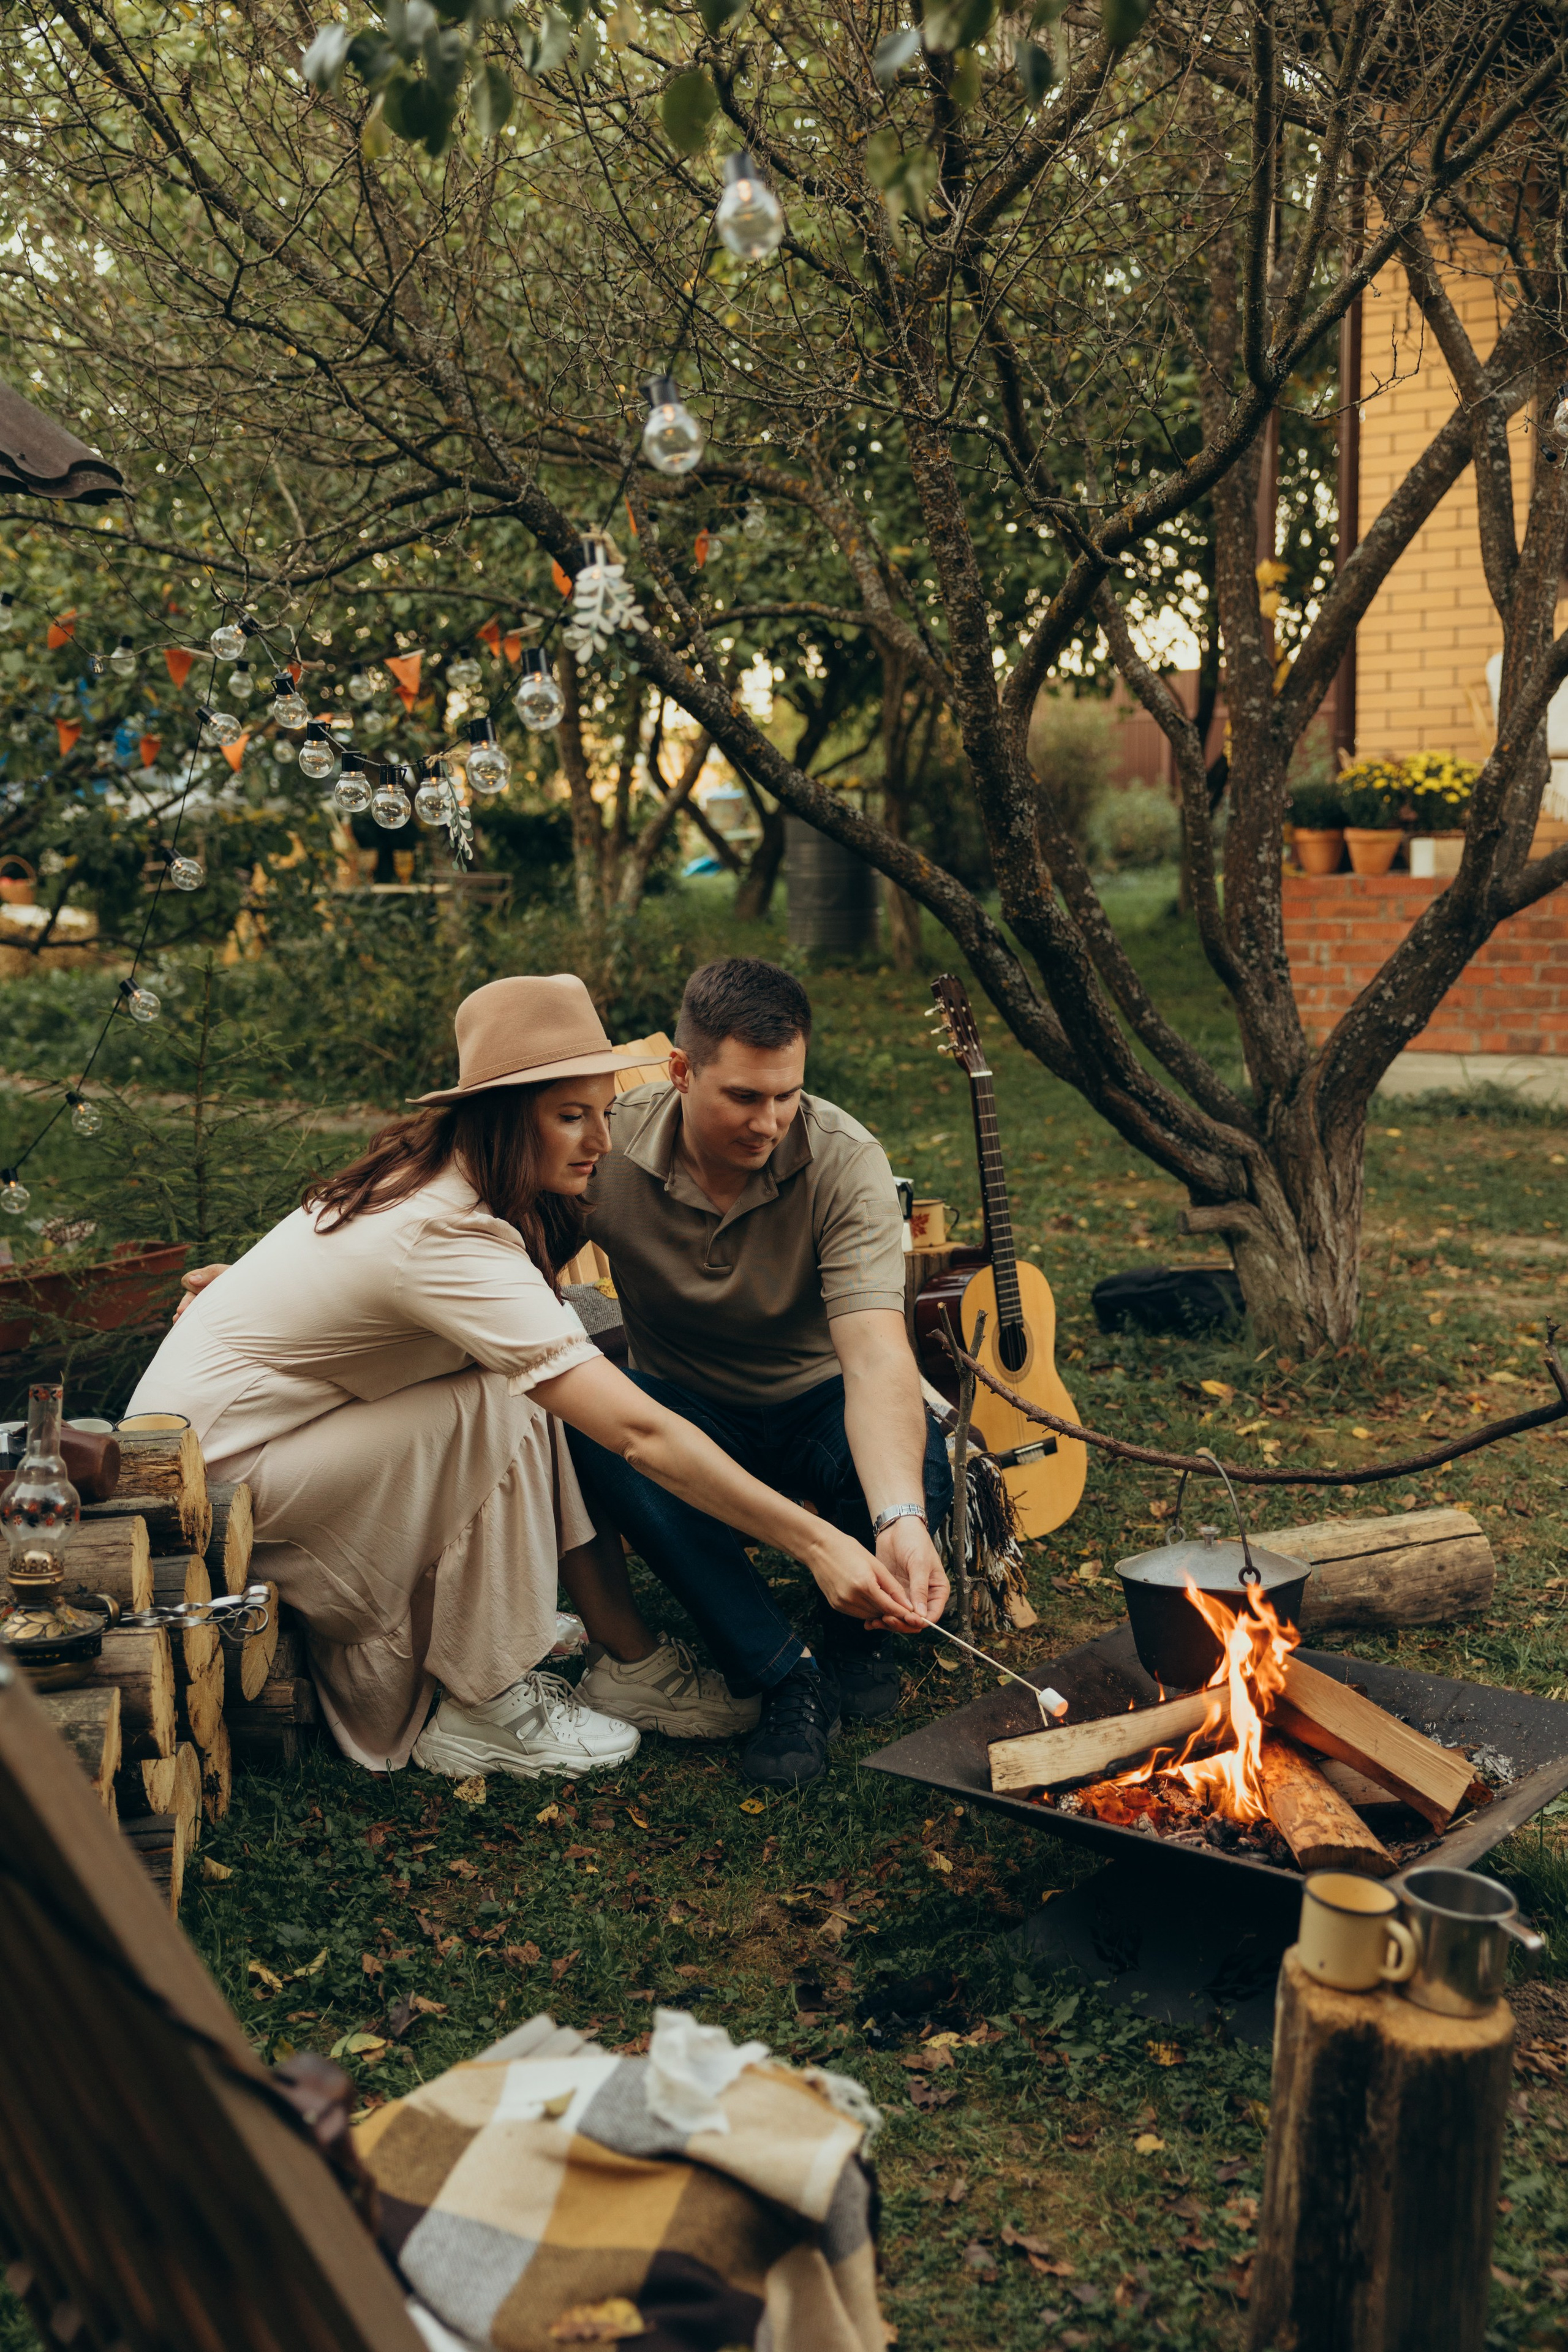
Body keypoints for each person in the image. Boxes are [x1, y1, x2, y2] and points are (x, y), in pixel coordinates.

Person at [130, 974, 925, 1780]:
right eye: (570, 1117)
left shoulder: (449, 1180)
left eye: (604, 1112)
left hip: (276, 1438)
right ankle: (488, 1706)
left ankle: (624, 1660)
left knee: (536, 1383)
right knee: (519, 1397)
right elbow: (637, 1432)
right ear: (505, 1116)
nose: (601, 1143)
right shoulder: (443, 1235)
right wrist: (817, 1541)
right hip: (205, 1494)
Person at [567, 956, 952, 1790]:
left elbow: (879, 1354)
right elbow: (474, 1239)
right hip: (686, 1408)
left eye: (787, 1095)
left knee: (916, 1467)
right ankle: (786, 1672)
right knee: (592, 1423)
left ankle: (855, 1632)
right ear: (680, 1070)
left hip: (817, 1399)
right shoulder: (606, 1150)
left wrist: (898, 1515)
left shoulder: (844, 1158)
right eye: (743, 1096)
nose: (769, 1120)